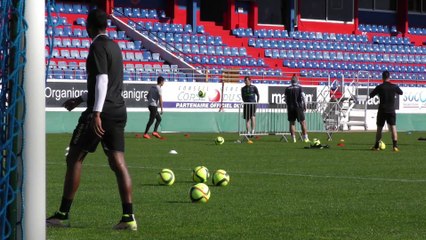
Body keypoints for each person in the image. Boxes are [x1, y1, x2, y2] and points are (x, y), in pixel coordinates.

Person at [46, 9, 137, 230]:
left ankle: (62, 215)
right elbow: (110, 84)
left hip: (102, 112)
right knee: (118, 163)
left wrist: (95, 113)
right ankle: (128, 218)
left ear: (89, 26)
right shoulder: (115, 46)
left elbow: (103, 80)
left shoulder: (96, 46)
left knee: (74, 158)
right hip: (118, 110)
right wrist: (81, 97)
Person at [369, 70, 403, 152]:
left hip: (382, 110)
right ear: (389, 77)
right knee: (393, 127)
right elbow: (401, 92)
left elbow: (371, 95)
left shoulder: (380, 87)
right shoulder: (394, 86)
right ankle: (395, 146)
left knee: (379, 128)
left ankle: (376, 146)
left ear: (382, 77)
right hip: (391, 110)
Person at [285, 75, 309, 143]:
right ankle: (305, 138)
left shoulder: (287, 88)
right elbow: (303, 97)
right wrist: (305, 105)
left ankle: (293, 139)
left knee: (292, 123)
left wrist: (288, 105)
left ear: (291, 81)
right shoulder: (299, 88)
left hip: (290, 107)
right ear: (297, 80)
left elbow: (286, 99)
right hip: (298, 107)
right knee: (303, 122)